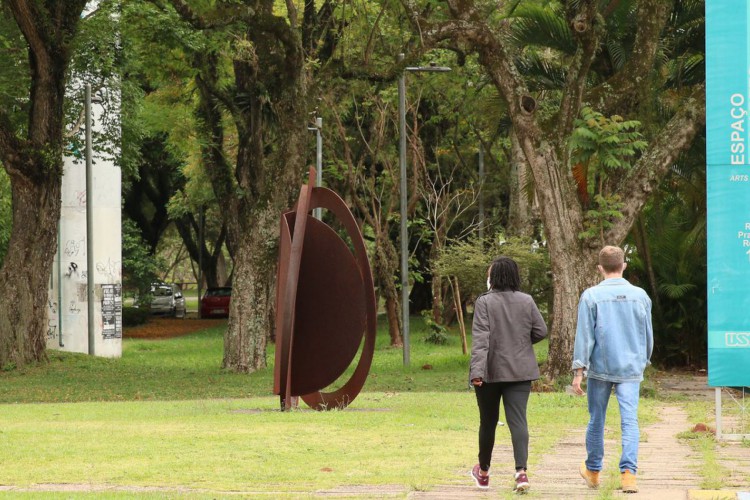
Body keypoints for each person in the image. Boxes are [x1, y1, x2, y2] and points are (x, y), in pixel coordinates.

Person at [571, 245, 653, 494]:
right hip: (630, 367)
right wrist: (644, 360)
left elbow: (584, 337)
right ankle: (628, 475)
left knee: (597, 420)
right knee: (630, 421)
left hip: (600, 369)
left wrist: (578, 371)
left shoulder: (591, 296)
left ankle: (594, 472)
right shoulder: (640, 296)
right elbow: (648, 335)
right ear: (623, 266)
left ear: (600, 268)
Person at [469, 256, 548, 493]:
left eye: (489, 274)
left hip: (489, 373)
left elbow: (481, 338)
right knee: (518, 421)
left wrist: (476, 372)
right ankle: (521, 473)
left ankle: (483, 473)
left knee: (488, 422)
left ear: (494, 277)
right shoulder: (527, 300)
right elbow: (541, 330)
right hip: (520, 372)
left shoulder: (484, 302)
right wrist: (522, 343)